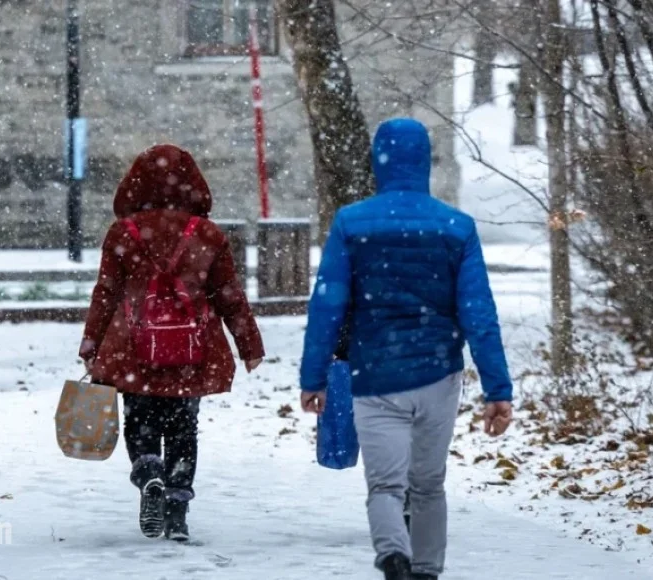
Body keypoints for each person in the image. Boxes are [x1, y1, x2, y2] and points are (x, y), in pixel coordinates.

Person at [299, 118, 513, 580]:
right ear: (425, 163)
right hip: (438, 375)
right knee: (429, 486)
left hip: (375, 374)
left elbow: (327, 306)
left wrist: (313, 377)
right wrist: (497, 389)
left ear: (378, 162)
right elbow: (479, 314)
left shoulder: (351, 223)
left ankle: (393, 555)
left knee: (384, 487)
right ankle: (427, 570)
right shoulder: (456, 227)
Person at [80, 144, 265, 542]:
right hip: (191, 349)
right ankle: (177, 511)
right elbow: (229, 294)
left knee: (140, 419)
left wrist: (92, 341)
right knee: (183, 427)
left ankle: (149, 474)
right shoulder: (207, 235)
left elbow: (106, 292)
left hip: (133, 345)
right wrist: (249, 345)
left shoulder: (122, 233)